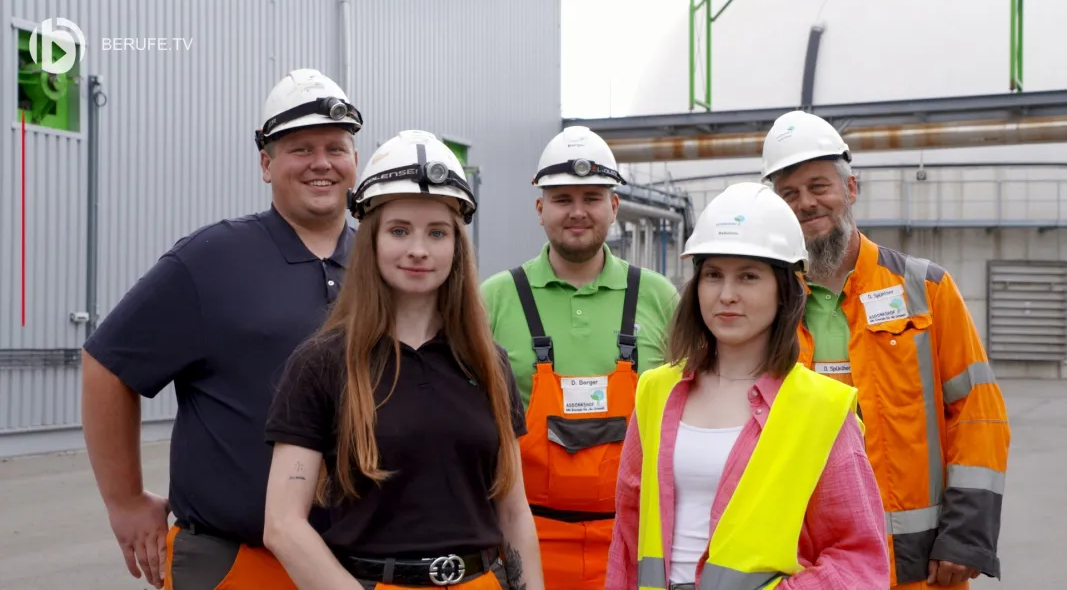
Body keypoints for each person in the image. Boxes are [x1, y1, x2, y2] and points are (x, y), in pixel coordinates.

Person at [80, 68, 363, 590]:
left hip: (362, 565)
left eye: (335, 148)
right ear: (266, 164)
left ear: (354, 161)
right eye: (300, 149)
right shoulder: (211, 260)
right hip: (233, 563)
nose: (321, 163)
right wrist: (125, 501)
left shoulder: (384, 266)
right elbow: (108, 364)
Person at [261, 130, 545, 590]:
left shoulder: (488, 363)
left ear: (457, 247)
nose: (418, 249)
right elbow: (283, 525)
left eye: (437, 233)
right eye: (399, 231)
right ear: (371, 240)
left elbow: (513, 513)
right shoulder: (321, 364)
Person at [760, 110, 1011, 589]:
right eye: (789, 194)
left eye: (819, 186)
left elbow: (978, 413)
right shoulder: (766, 301)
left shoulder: (925, 288)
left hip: (918, 565)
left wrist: (966, 536)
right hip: (804, 564)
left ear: (851, 189)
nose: (806, 203)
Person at [606, 182, 890, 590]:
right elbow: (628, 533)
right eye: (713, 275)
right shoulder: (656, 391)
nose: (727, 295)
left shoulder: (822, 409)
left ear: (783, 290)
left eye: (748, 277)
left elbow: (858, 559)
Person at [480, 125, 680, 590]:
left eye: (592, 198)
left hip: (636, 543)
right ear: (540, 209)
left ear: (614, 206)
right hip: (526, 543)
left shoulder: (659, 298)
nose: (577, 211)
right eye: (562, 199)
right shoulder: (494, 300)